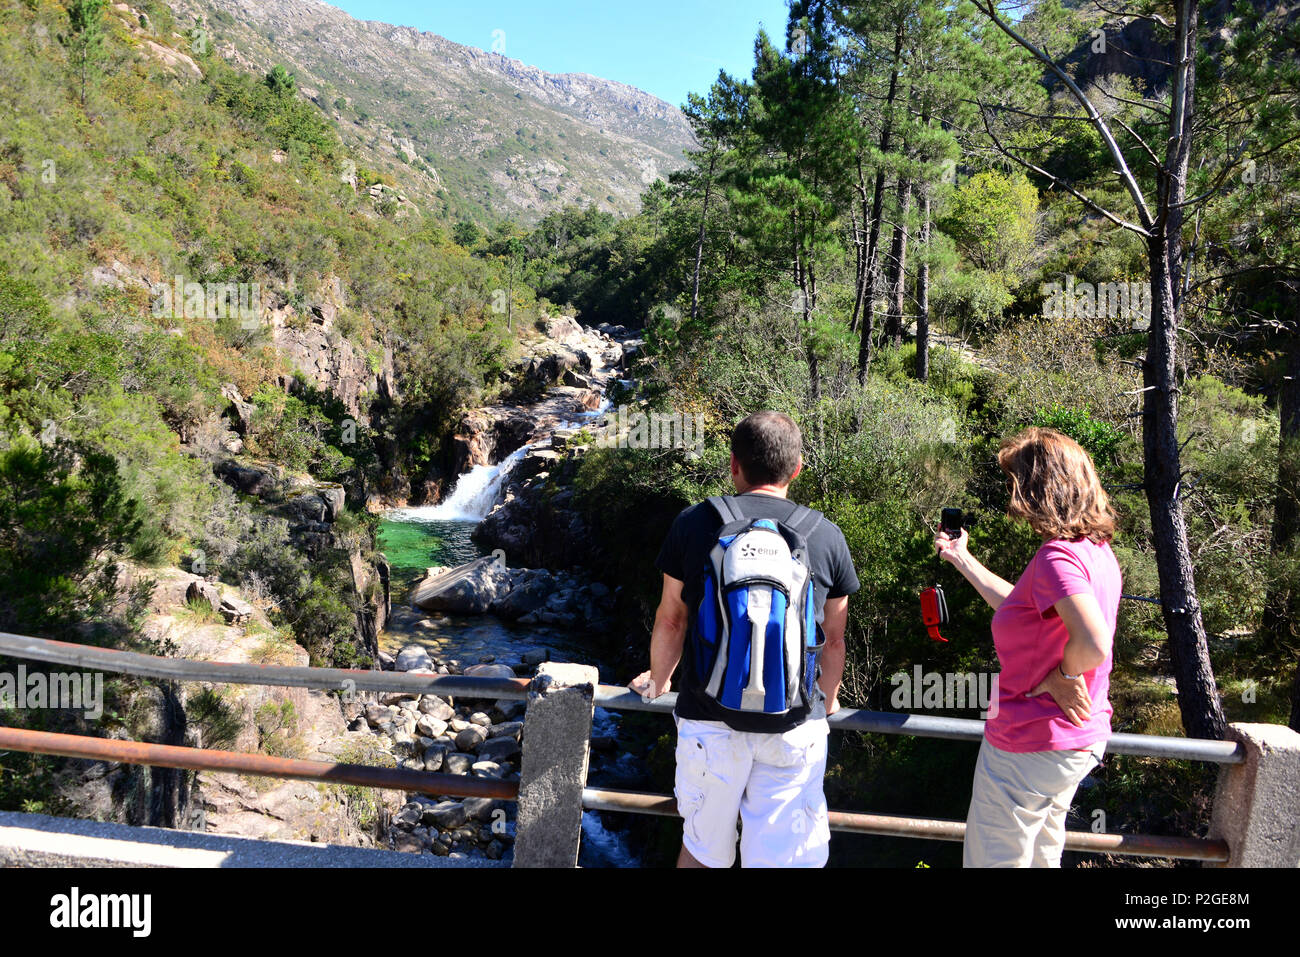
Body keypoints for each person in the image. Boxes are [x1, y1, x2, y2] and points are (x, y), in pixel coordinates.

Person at [628, 410, 859, 868]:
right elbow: (834, 640)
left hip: (708, 721)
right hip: (794, 723)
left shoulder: (694, 524)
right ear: (796, 469)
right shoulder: (825, 535)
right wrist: (827, 699)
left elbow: (672, 619)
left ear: (733, 464)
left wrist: (658, 679)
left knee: (700, 852)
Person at [936, 427, 1121, 868]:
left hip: (1030, 740)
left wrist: (1063, 677)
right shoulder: (1095, 551)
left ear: (1039, 487)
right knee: (1040, 858)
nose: (1011, 494)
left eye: (1016, 482)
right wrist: (963, 559)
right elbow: (1020, 607)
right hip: (1074, 743)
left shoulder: (1058, 556)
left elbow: (1094, 642)